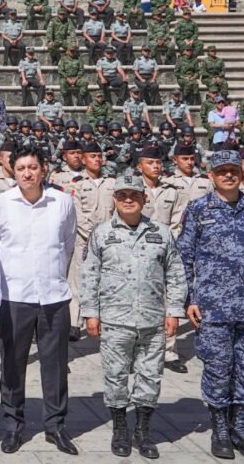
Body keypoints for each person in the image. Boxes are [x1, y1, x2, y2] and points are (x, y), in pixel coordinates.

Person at [80, 174, 186, 458]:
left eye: (134, 195)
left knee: (150, 377)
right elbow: (90, 275)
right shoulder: (102, 233)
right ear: (114, 199)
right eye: (123, 195)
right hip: (115, 321)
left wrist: (174, 310)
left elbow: (175, 273)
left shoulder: (161, 233)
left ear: (144, 199)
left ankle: (143, 431)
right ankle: (120, 430)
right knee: (115, 378)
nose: (128, 199)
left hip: (152, 321)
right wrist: (90, 313)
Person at [0, 147, 79, 455]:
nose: (27, 173)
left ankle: (55, 426)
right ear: (13, 171)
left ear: (44, 169)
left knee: (55, 365)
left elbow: (66, 245)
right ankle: (14, 426)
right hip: (15, 297)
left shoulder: (62, 202)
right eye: (21, 167)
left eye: (33, 167)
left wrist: (53, 278)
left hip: (53, 297)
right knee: (12, 364)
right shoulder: (1, 204)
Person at [177, 149, 244, 459]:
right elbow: (183, 258)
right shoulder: (199, 210)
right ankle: (220, 431)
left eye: (233, 169)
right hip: (213, 307)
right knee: (218, 370)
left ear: (242, 173)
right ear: (211, 176)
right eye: (222, 171)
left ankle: (239, 430)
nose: (229, 175)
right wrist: (188, 299)